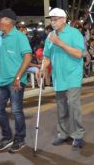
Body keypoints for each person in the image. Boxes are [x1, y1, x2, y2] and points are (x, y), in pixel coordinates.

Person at [37, 8, 86, 149]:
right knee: (61, 107)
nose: (52, 22)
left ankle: (78, 135)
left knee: (73, 106)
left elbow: (79, 53)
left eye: (55, 19)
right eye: (51, 19)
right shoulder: (50, 36)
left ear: (64, 19)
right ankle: (63, 134)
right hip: (58, 77)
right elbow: (46, 55)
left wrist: (60, 43)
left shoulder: (74, 33)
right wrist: (42, 68)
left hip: (72, 76)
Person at [0, 9, 32, 153]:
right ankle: (7, 137)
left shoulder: (20, 37)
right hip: (0, 81)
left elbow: (27, 57)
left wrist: (17, 77)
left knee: (16, 111)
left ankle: (20, 139)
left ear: (8, 21)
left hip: (15, 81)